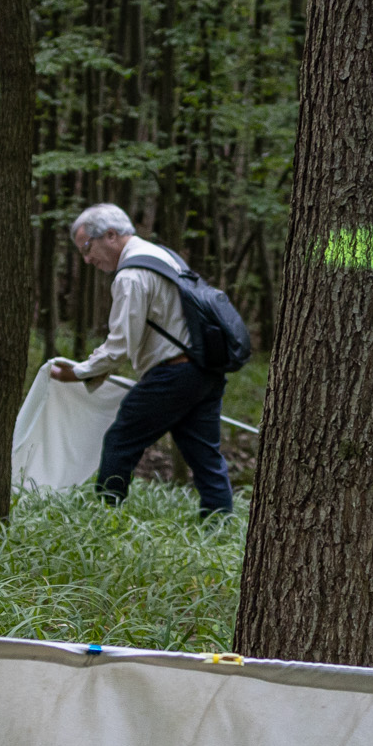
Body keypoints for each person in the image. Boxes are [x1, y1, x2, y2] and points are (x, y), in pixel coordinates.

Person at [45, 203, 232, 517]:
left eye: (87, 248)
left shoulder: (131, 275)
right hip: (205, 368)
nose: (87, 259)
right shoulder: (163, 255)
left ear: (111, 235)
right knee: (204, 454)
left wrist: (79, 372)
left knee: (121, 440)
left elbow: (120, 345)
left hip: (174, 372)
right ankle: (219, 523)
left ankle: (106, 518)